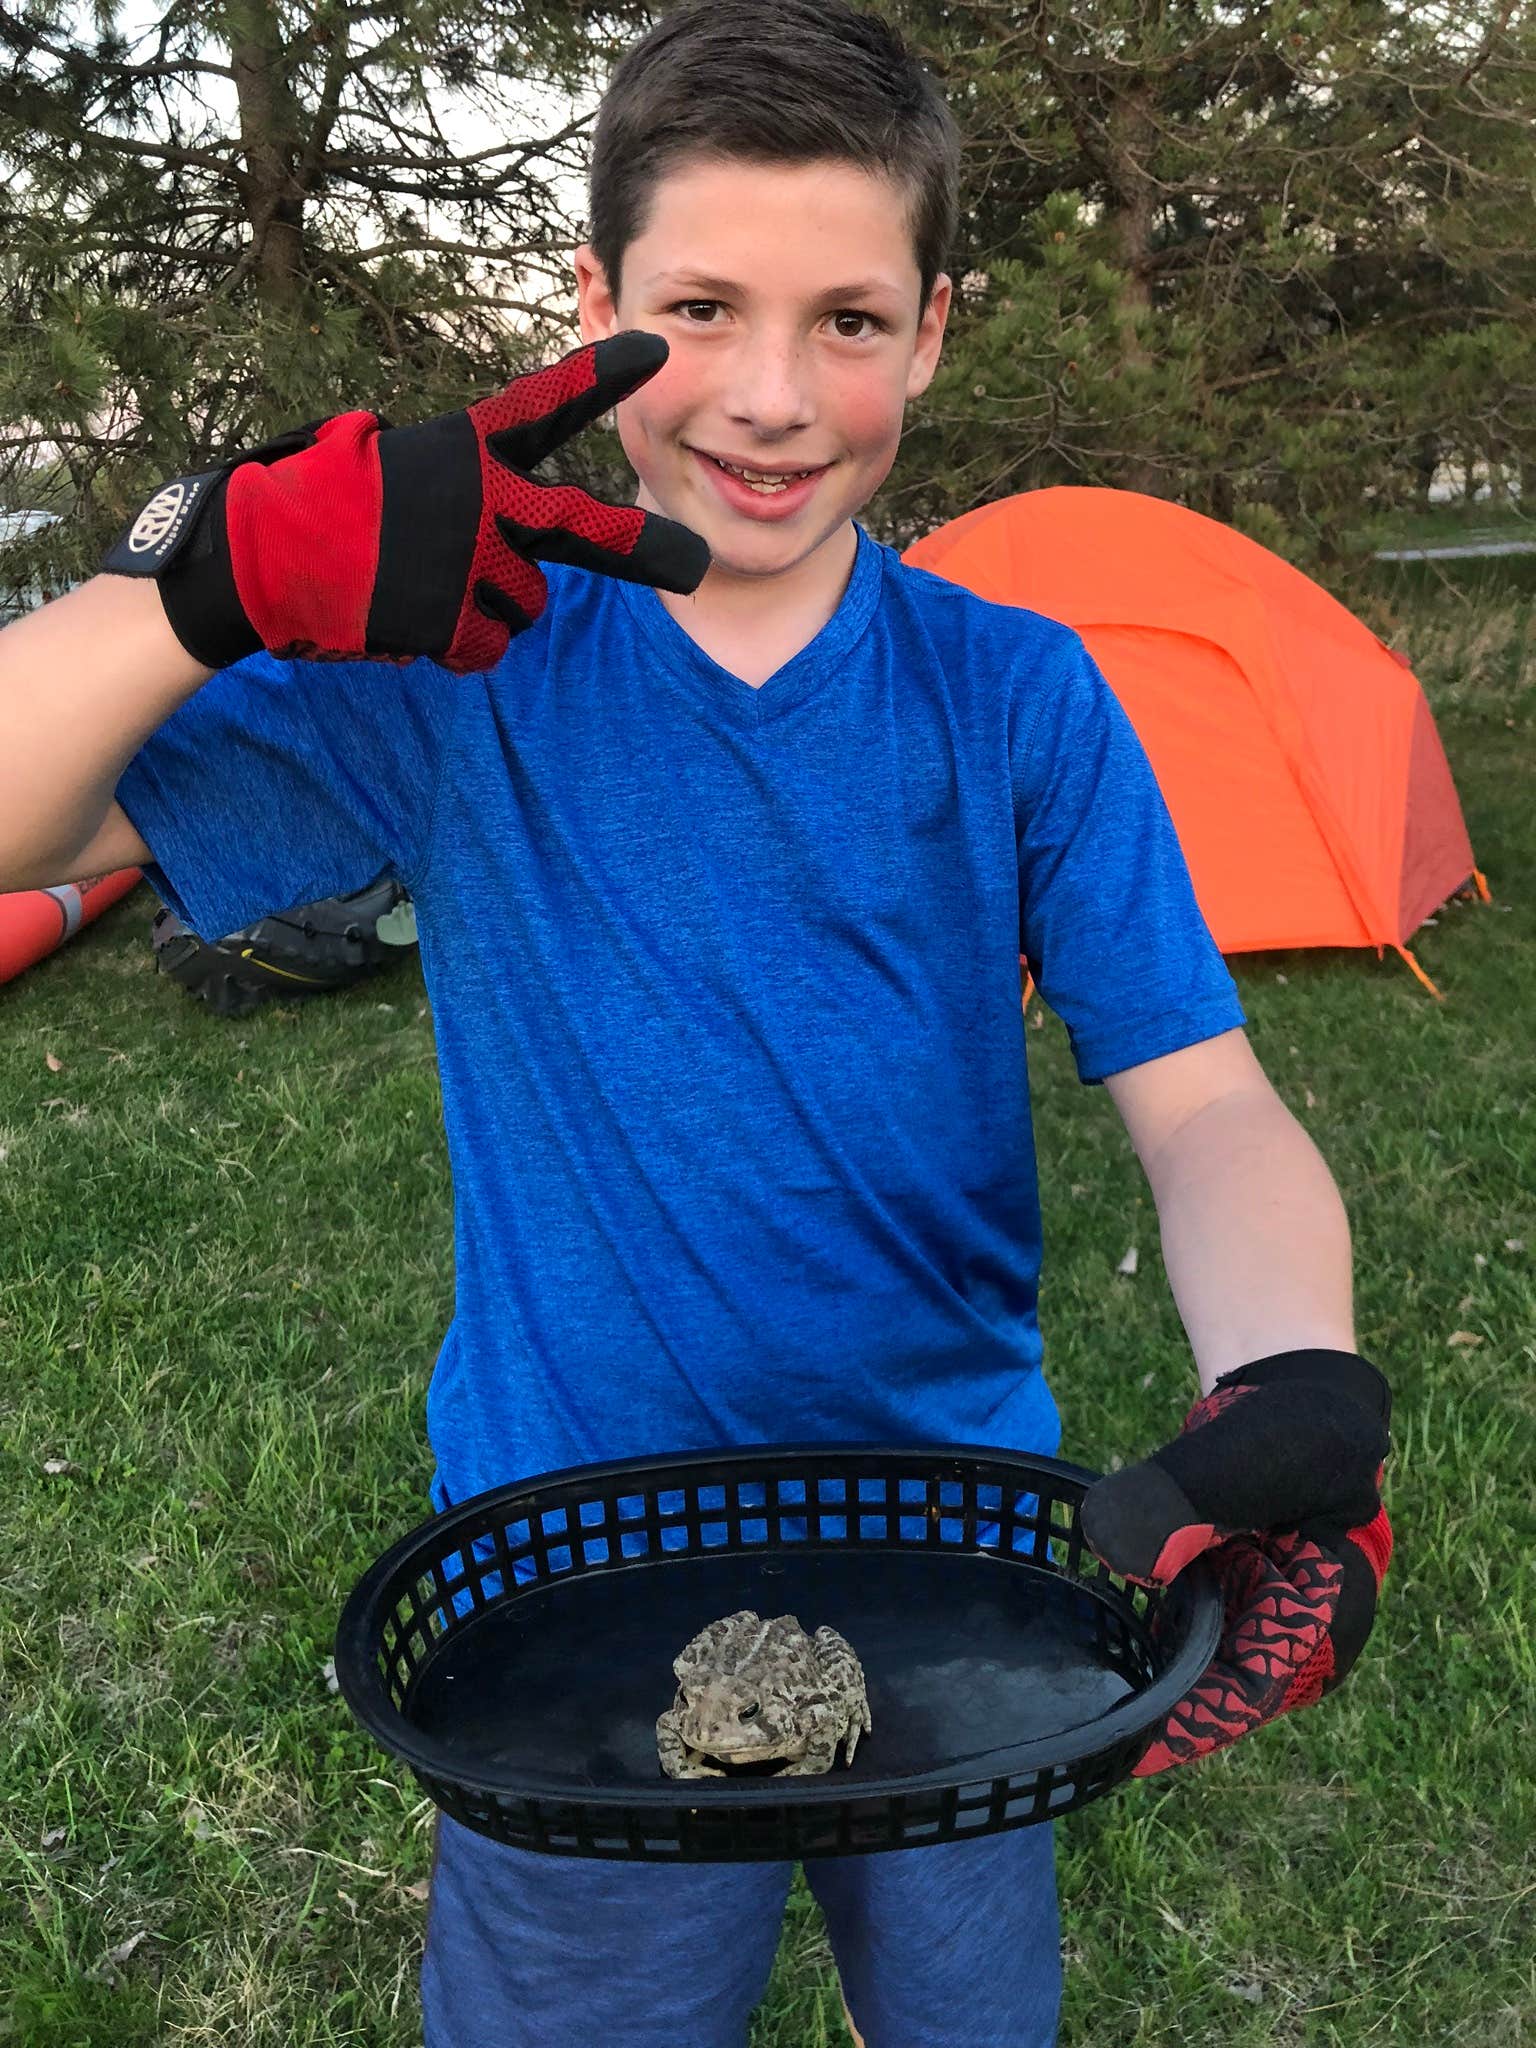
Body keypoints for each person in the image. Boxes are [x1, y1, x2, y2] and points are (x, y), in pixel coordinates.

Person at [0, 3, 1395, 2042]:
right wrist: (198, 584)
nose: (768, 396)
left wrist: (1292, 1365)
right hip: (566, 1563)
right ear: (594, 307)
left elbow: (1200, 1100)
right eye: (702, 307)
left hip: (961, 1556)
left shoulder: (1016, 699)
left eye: (848, 319)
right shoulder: (460, 664)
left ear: (934, 328)